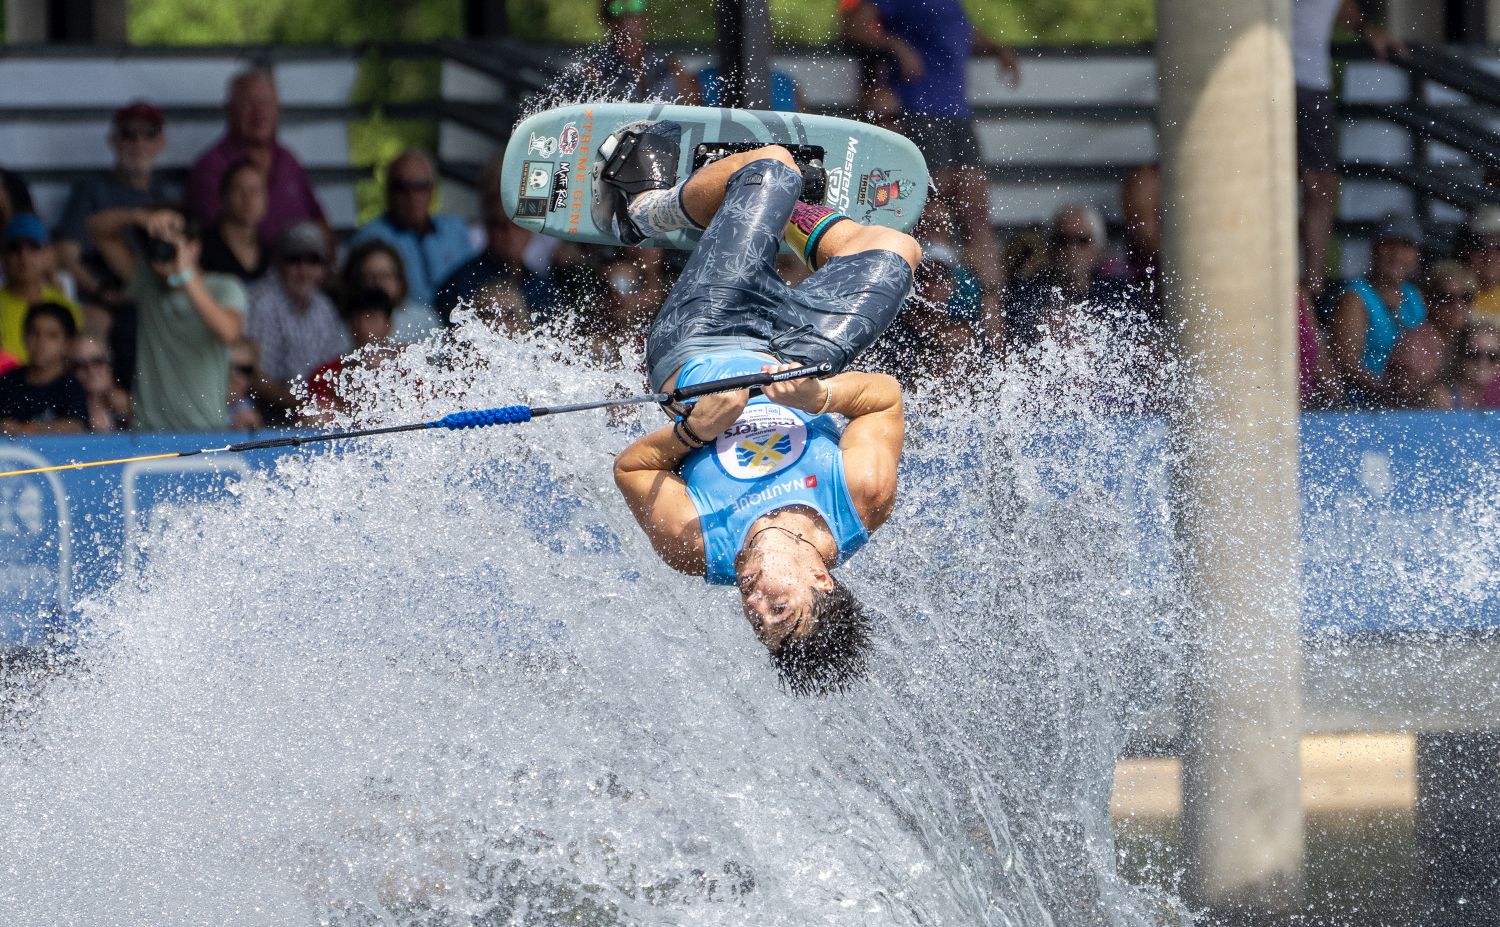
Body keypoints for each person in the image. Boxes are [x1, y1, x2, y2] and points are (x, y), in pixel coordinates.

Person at [601, 127, 918, 695]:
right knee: (896, 252)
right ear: (821, 579)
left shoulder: (699, 546)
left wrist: (694, 430)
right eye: (777, 606)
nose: (752, 599)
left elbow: (633, 471)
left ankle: (648, 211)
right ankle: (789, 210)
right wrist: (818, 397)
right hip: (795, 356)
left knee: (771, 166)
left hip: (702, 339)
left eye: (755, 618)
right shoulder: (861, 498)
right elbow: (883, 398)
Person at [838, 0, 1017, 313]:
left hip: (957, 115)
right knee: (930, 212)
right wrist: (896, 45)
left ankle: (992, 311)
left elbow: (959, 32)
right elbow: (851, 28)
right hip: (918, 111)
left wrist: (997, 48)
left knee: (975, 214)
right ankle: (929, 312)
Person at [88, 204, 248, 431]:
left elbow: (229, 332)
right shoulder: (147, 282)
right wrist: (139, 216)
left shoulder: (223, 287)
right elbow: (96, 231)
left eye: (172, 246)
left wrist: (185, 274)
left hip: (207, 430)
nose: (164, 255)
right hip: (148, 431)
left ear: (194, 247)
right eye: (159, 246)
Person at [1293, 0, 1407, 295]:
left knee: (1321, 184)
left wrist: (1365, 28)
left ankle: (1312, 287)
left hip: (1310, 78)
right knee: (1266, 183)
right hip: (1258, 79)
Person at [54, 101, 177, 317]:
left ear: (161, 143)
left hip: (152, 299)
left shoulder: (164, 195)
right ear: (113, 140)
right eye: (129, 134)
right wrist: (103, 292)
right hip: (102, 302)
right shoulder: (91, 189)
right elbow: (66, 256)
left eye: (149, 134)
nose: (139, 143)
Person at [186, 68, 327, 245]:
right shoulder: (211, 167)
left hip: (300, 267)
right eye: (249, 103)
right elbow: (212, 237)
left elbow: (319, 218)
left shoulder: (288, 159)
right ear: (229, 110)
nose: (260, 113)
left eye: (266, 103)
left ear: (278, 109)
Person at [348, 149, 472, 324]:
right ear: (388, 191)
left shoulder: (455, 229)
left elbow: (474, 284)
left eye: (419, 186)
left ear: (432, 190)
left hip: (457, 327)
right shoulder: (370, 237)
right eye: (401, 187)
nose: (411, 195)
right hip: (398, 330)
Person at [245, 221, 348, 419]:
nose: (304, 269)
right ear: (277, 263)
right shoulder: (263, 302)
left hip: (311, 410)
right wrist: (304, 406)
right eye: (294, 259)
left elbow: (332, 370)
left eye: (313, 260)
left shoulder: (324, 307)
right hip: (267, 412)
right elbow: (255, 379)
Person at [1327, 213, 1426, 406]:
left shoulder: (1414, 296)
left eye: (1406, 245)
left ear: (1417, 255)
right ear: (1374, 249)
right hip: (1362, 408)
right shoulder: (1355, 298)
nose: (1397, 254)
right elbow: (1345, 363)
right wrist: (1388, 393)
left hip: (1404, 405)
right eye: (1389, 244)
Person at [1004, 204, 1128, 348]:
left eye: (1082, 240)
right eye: (1062, 240)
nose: (1071, 249)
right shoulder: (1027, 293)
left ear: (1099, 248)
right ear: (1050, 247)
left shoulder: (1118, 294)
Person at [435, 185, 554, 328]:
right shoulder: (460, 284)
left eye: (519, 224)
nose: (510, 233)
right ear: (487, 227)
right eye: (501, 225)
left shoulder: (544, 288)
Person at [1381, 261, 1477, 408]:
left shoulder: (1470, 338)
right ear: (1429, 301)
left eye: (1465, 297)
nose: (1458, 305)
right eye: (1447, 297)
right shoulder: (1414, 344)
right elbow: (1417, 401)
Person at [563, 0, 699, 103]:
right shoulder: (595, 72)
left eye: (636, 4)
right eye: (618, 6)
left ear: (646, 16)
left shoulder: (674, 69)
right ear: (607, 20)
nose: (628, 15)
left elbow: (695, 119)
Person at [0, 214, 83, 364]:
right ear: (4, 257)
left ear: (48, 255)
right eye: (15, 248)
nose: (24, 256)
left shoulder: (64, 308)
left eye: (34, 247)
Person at [306, 288, 400, 419]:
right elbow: (310, 420)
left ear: (388, 324)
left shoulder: (409, 371)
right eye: (355, 318)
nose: (361, 325)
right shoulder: (325, 375)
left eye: (370, 317)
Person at [0, 303, 88, 436]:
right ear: (24, 337)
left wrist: (25, 429)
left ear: (68, 343)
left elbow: (75, 426)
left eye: (52, 336)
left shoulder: (72, 386)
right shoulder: (8, 381)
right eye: (34, 333)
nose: (41, 342)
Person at [198, 159, 269, 284]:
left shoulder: (270, 253)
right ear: (223, 197)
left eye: (255, 191)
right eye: (238, 189)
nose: (248, 199)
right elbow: (174, 282)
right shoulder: (200, 247)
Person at [70, 335, 131, 432]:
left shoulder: (130, 404)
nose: (91, 370)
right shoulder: (69, 411)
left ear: (110, 365)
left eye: (97, 362)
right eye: (80, 365)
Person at [1459, 205, 1500, 325]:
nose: (1489, 254)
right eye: (1480, 245)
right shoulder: (1449, 293)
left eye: (1498, 247)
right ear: (1466, 250)